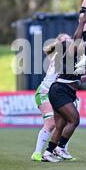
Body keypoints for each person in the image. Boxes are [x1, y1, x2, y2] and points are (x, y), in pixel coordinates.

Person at [42, 14, 86, 162]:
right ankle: (60, 147)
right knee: (74, 120)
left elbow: (78, 76)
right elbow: (78, 38)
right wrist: (82, 22)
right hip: (60, 91)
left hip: (62, 91)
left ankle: (48, 153)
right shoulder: (68, 55)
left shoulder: (76, 58)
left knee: (60, 125)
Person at [31, 33, 74, 162]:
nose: (69, 41)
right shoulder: (60, 57)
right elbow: (75, 74)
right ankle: (37, 153)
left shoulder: (68, 57)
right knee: (51, 123)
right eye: (65, 40)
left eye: (69, 38)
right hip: (44, 93)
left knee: (64, 122)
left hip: (56, 93)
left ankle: (59, 150)